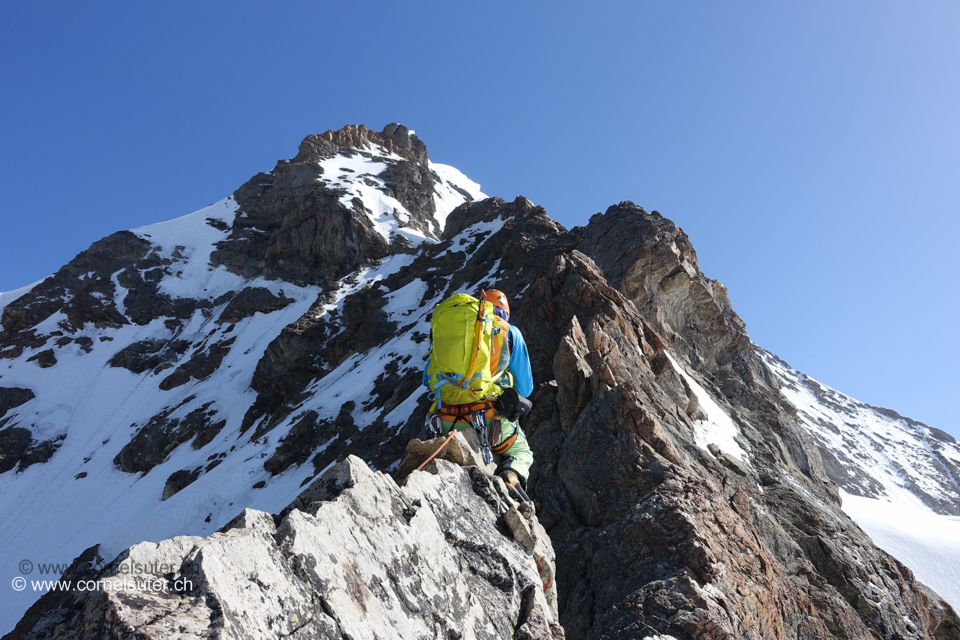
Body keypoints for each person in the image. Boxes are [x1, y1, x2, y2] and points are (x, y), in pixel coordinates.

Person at [422, 289, 535, 489]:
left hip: (442, 420)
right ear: (505, 313)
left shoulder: (457, 332)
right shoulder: (509, 332)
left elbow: (427, 379)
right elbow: (525, 388)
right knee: (521, 451)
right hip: (488, 422)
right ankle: (510, 477)